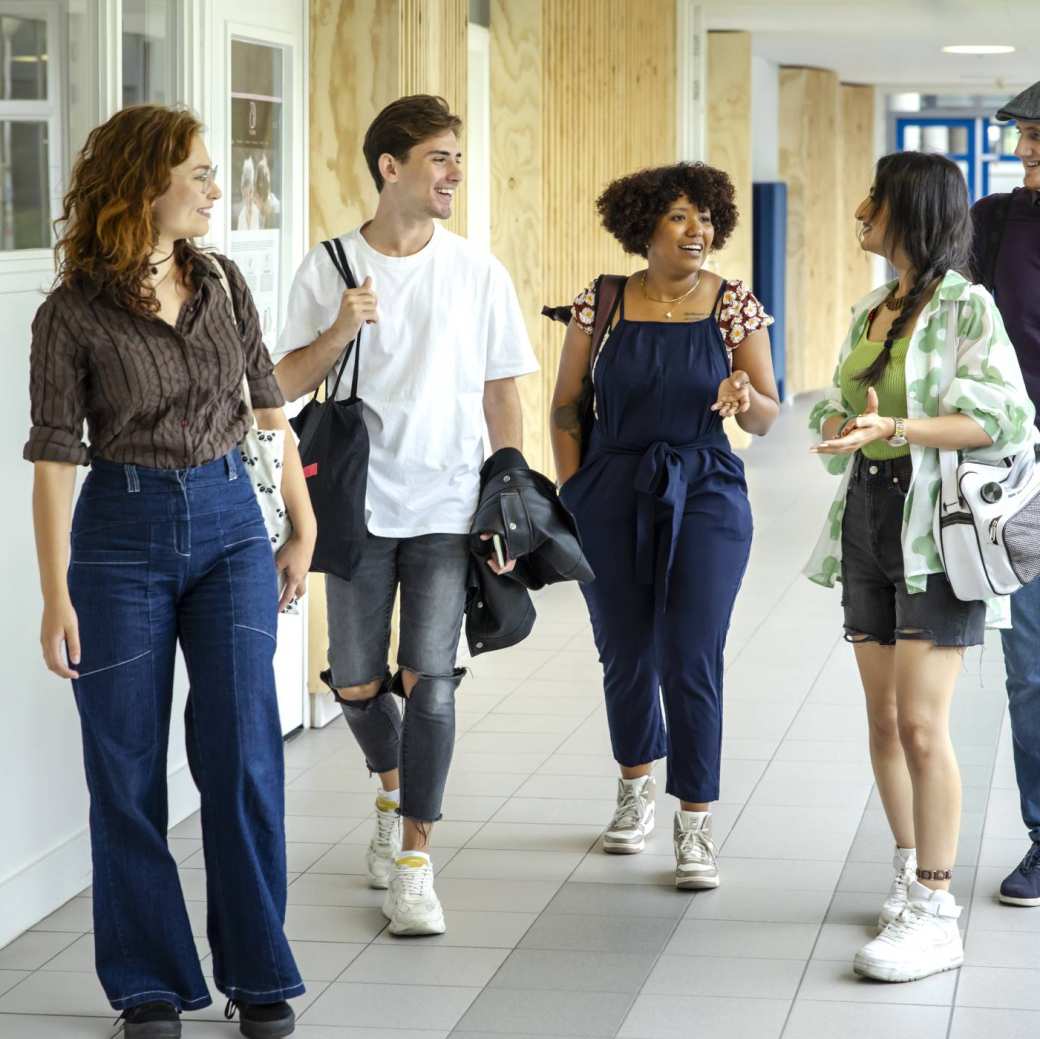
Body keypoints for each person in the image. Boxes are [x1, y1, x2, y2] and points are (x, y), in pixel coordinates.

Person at [24, 104, 314, 1039]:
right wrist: (54, 593)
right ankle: (150, 984)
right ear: (145, 183)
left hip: (232, 524)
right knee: (125, 767)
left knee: (242, 753)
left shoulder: (224, 281)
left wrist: (301, 527)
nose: (215, 189)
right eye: (198, 172)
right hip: (120, 538)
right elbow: (53, 460)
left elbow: (269, 407)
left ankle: (259, 972)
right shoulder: (70, 312)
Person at [272, 94, 537, 936]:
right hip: (354, 508)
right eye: (439, 157)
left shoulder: (477, 271)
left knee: (430, 680)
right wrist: (340, 331)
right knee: (354, 680)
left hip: (449, 505)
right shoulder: (332, 266)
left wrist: (510, 486)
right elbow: (280, 385)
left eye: (458, 157)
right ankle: (392, 791)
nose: (455, 172)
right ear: (391, 167)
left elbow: (503, 388)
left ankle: (417, 860)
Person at [807, 151, 1035, 983]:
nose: (861, 207)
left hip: (937, 533)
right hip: (869, 520)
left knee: (921, 724)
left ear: (910, 210)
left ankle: (937, 909)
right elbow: (849, 406)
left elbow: (1002, 420)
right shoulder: (876, 304)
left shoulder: (967, 305)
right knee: (881, 720)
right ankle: (908, 875)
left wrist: (897, 431)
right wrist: (845, 428)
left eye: (876, 196)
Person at [549, 162, 780, 889]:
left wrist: (745, 396)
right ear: (644, 224)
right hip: (611, 487)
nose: (698, 229)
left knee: (690, 650)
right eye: (681, 215)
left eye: (706, 217)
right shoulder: (604, 301)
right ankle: (633, 788)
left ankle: (696, 821)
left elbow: (769, 414)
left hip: (705, 488)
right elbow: (566, 404)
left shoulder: (733, 304)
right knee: (625, 649)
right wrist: (572, 488)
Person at [970, 81, 1040, 908]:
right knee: (1031, 668)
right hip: (1024, 475)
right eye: (1023, 137)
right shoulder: (993, 224)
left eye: (1038, 140)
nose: (1024, 151)